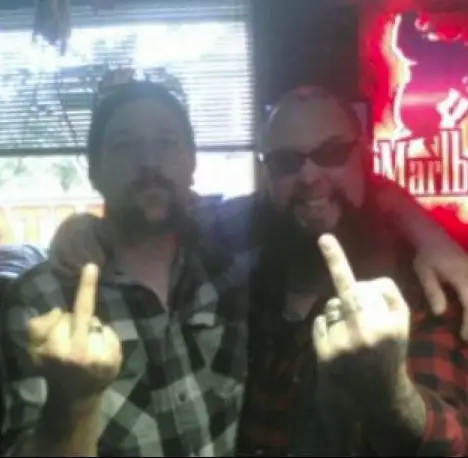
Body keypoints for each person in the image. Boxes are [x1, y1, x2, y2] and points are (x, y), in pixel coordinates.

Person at [0, 70, 249, 457]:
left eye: (166, 142)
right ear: (94, 171)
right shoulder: (39, 302)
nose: (149, 161)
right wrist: (74, 402)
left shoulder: (231, 264)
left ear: (191, 162)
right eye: (124, 144)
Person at [234, 88, 468, 456]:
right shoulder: (242, 271)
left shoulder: (418, 284)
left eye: (331, 153)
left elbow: (451, 440)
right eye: (285, 161)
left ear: (364, 158)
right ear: (267, 177)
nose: (309, 175)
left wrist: (393, 395)